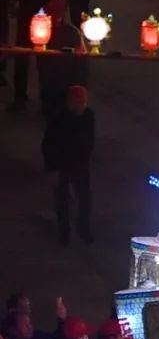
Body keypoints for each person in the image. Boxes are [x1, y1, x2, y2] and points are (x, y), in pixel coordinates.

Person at [42, 83, 95, 246]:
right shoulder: (59, 119)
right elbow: (48, 144)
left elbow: (90, 140)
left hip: (79, 163)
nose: (80, 107)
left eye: (82, 103)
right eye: (77, 103)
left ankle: (83, 227)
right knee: (62, 199)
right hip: (62, 164)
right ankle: (65, 231)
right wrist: (52, 168)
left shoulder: (88, 115)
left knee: (84, 198)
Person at [10, 0, 59, 113]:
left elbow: (55, 0)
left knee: (44, 66)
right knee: (20, 63)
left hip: (41, 28)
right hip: (24, 25)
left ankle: (47, 102)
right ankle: (20, 100)